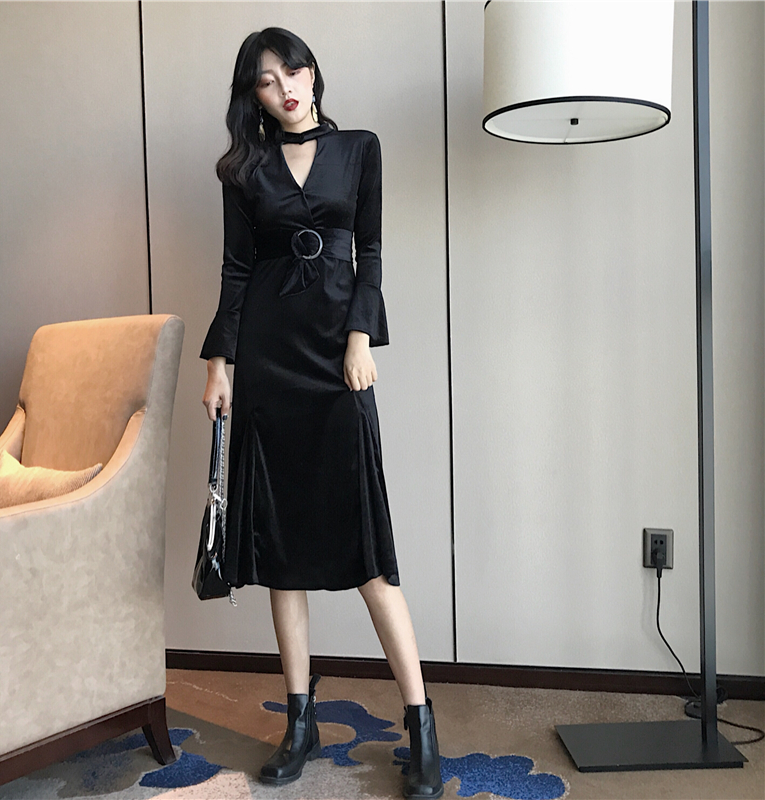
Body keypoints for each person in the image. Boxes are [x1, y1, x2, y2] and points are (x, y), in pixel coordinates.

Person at [200, 27, 443, 799]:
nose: (287, 88)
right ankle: (299, 721)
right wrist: (219, 363)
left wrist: (361, 339)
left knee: (368, 552)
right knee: (282, 556)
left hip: (338, 359)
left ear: (313, 73)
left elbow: (371, 254)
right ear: (254, 95)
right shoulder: (243, 170)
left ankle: (421, 725)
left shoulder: (359, 149)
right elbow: (236, 270)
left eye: (295, 70)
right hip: (268, 362)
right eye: (268, 80)